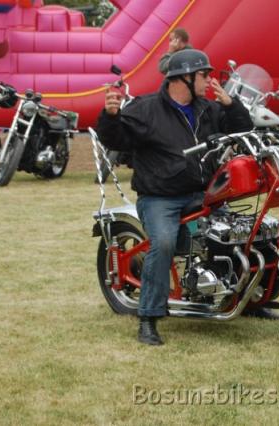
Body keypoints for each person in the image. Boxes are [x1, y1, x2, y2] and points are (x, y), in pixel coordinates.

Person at [98, 49, 254, 346]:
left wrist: (231, 105)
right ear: (184, 78)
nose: (209, 80)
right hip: (160, 197)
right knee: (165, 243)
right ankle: (148, 317)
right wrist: (110, 116)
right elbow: (116, 139)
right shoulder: (146, 109)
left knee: (240, 230)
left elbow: (243, 130)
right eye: (204, 74)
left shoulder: (208, 109)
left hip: (202, 192)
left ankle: (252, 299)